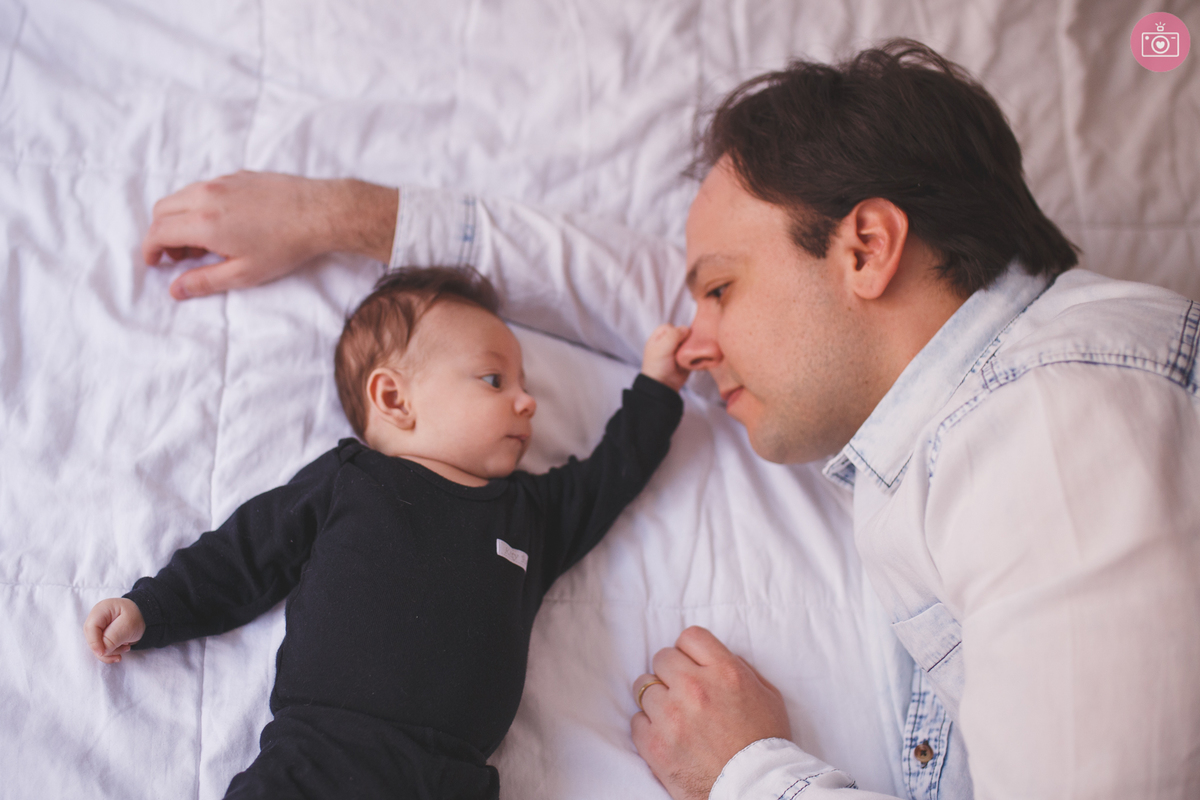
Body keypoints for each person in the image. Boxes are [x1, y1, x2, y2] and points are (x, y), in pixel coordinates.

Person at [136, 39, 1200, 800]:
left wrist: (749, 772)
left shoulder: (1058, 441)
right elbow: (619, 285)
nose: (693, 333)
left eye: (721, 289)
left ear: (867, 249)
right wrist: (341, 220)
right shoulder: (985, 396)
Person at [83, 266, 688, 799]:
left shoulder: (531, 513)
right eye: (495, 380)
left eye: (524, 385)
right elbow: (243, 553)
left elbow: (613, 474)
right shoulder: (351, 481)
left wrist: (658, 386)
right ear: (394, 397)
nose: (528, 402)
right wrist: (151, 608)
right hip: (316, 756)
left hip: (451, 777)